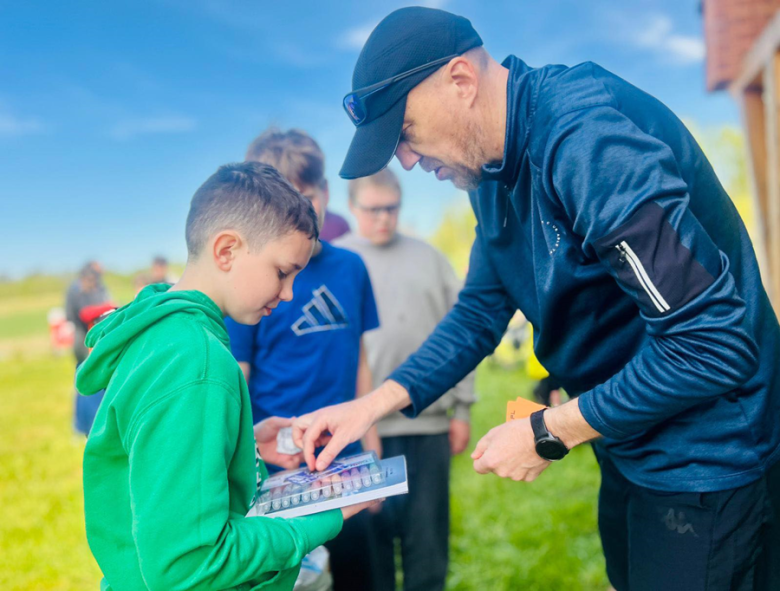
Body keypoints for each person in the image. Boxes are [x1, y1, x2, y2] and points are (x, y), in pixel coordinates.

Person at [294, 7, 780, 591]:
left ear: (461, 81)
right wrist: (371, 405)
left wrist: (552, 431)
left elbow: (710, 344)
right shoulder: (487, 174)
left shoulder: (585, 139)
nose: (404, 160)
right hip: (629, 439)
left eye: (405, 131)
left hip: (707, 453)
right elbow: (478, 313)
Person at [75, 162, 376, 591]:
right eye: (282, 272)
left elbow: (155, 461)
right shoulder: (196, 361)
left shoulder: (163, 334)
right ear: (227, 250)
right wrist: (315, 522)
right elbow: (190, 562)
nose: (289, 293)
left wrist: (243, 443)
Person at [226, 128, 381, 591]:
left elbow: (361, 364)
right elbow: (237, 377)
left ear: (326, 193)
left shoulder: (351, 268)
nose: (297, 212)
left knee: (363, 576)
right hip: (278, 475)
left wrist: (372, 449)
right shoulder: (251, 285)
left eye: (307, 197)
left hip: (347, 462)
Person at [335, 168, 475, 591]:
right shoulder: (339, 261)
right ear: (353, 207)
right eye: (373, 209)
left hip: (427, 425)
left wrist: (463, 408)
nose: (383, 218)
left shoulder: (428, 257)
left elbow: (465, 330)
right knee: (371, 544)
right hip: (361, 430)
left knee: (426, 539)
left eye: (391, 208)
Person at [246, 130, 350, 242]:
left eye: (306, 200)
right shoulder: (240, 256)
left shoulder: (340, 231)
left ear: (325, 192)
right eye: (278, 203)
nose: (294, 217)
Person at [65, 261, 112, 434]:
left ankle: (90, 424)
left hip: (95, 341)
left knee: (93, 384)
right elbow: (76, 314)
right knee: (86, 384)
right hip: (82, 343)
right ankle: (86, 425)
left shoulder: (98, 288)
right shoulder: (75, 291)